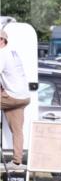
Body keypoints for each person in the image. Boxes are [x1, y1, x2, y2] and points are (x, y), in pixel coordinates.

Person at [0, 29, 31, 168]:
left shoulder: (1, 54)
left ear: (2, 40)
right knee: (17, 130)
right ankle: (17, 161)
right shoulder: (13, 52)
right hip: (23, 96)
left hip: (12, 96)